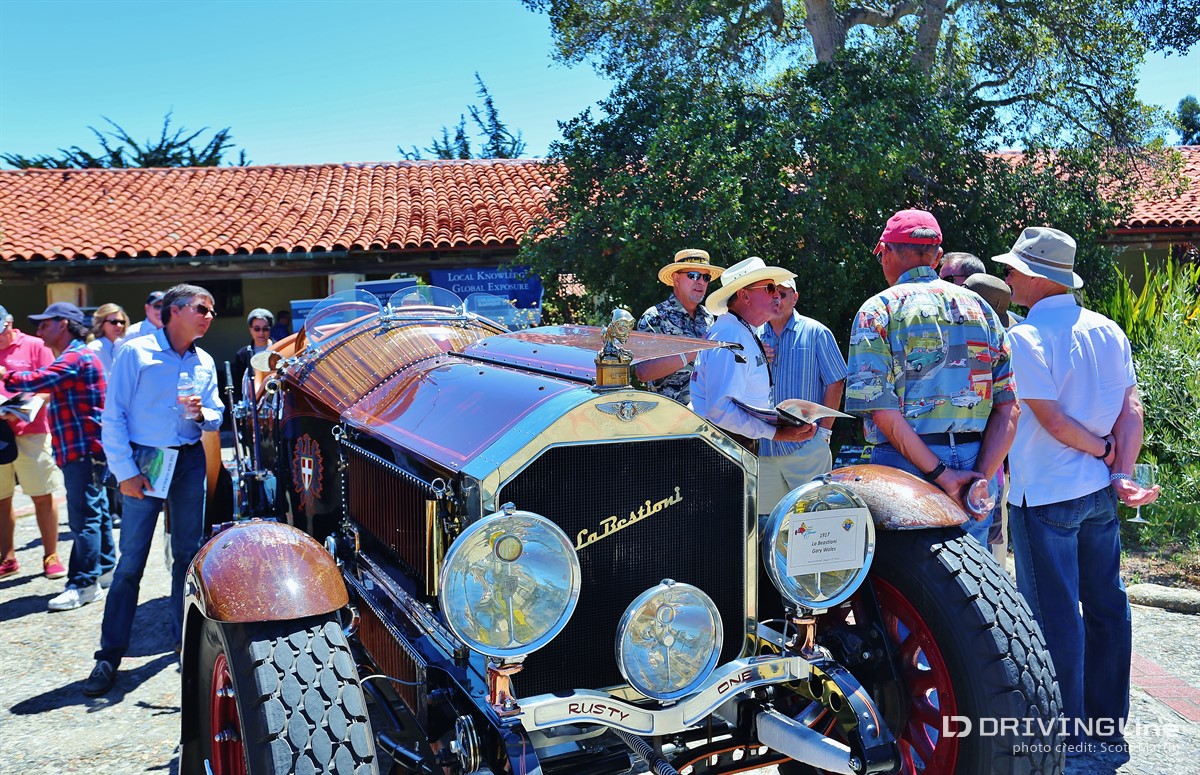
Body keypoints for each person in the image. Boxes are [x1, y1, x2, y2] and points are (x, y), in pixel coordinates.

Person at [996, 227, 1158, 750]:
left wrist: (1101, 452)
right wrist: (1118, 469)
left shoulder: (1022, 336)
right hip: (1098, 492)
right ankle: (1105, 722)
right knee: (1107, 604)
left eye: (1014, 270)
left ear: (1038, 279)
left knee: (1055, 615)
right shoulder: (1107, 328)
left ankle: (1062, 730)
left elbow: (1049, 420)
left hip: (1045, 493)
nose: (1007, 278)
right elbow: (1131, 408)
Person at [845, 209, 1018, 548]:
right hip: (977, 462)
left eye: (881, 254)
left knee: (908, 592)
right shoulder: (981, 309)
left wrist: (943, 476)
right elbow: (1009, 407)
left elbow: (882, 411)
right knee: (974, 590)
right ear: (938, 257)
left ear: (888, 250)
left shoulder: (878, 310)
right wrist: (978, 478)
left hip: (904, 467)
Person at [85, 284, 224, 696]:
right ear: (176, 311)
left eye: (213, 311)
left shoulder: (206, 360)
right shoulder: (136, 351)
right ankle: (109, 654)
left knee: (187, 554)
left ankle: (184, 645)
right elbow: (114, 418)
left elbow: (215, 415)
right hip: (145, 460)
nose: (209, 316)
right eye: (203, 308)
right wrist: (125, 473)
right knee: (131, 562)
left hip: (187, 460)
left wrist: (205, 412)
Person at [1, 302, 114, 611]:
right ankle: (103, 569)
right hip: (86, 449)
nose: (38, 330)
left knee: (83, 517)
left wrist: (5, 374)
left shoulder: (76, 357)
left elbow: (39, 380)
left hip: (83, 449)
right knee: (96, 509)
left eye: (44, 324)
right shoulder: (78, 354)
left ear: (63, 324)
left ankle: (84, 583)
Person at [691, 257, 816, 455]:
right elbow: (721, 410)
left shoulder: (741, 330)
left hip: (727, 446)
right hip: (721, 449)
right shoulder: (730, 335)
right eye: (769, 288)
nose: (777, 295)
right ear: (744, 296)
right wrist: (777, 433)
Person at [757, 278, 847, 514]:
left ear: (795, 298)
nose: (776, 300)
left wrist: (824, 433)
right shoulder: (752, 335)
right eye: (771, 294)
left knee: (812, 524)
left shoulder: (816, 332)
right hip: (763, 449)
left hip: (806, 446)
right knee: (766, 527)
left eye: (783, 294)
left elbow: (836, 381)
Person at [960, 272, 1023, 562]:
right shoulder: (1008, 339)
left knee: (985, 540)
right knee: (990, 540)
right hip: (999, 458)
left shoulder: (973, 341)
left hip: (983, 454)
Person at [0, 306, 65, 580]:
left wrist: (20, 411)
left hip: (32, 431)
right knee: (1, 499)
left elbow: (50, 387)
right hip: (0, 432)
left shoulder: (36, 346)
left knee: (41, 495)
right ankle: (7, 557)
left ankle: (51, 555)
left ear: (9, 323)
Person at [635, 249, 726, 405]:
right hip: (670, 418)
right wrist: (694, 350)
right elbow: (643, 372)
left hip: (708, 413)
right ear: (676, 279)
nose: (701, 282)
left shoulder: (708, 317)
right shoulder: (655, 317)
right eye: (693, 275)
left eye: (706, 277)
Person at [232, 308, 274, 390]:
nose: (261, 333)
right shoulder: (242, 355)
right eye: (257, 329)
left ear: (270, 329)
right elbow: (237, 384)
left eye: (265, 329)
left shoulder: (280, 350)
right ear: (251, 330)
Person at [87, 302, 129, 372]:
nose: (119, 325)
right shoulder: (94, 348)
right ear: (101, 323)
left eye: (122, 322)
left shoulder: (123, 346)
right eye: (113, 322)